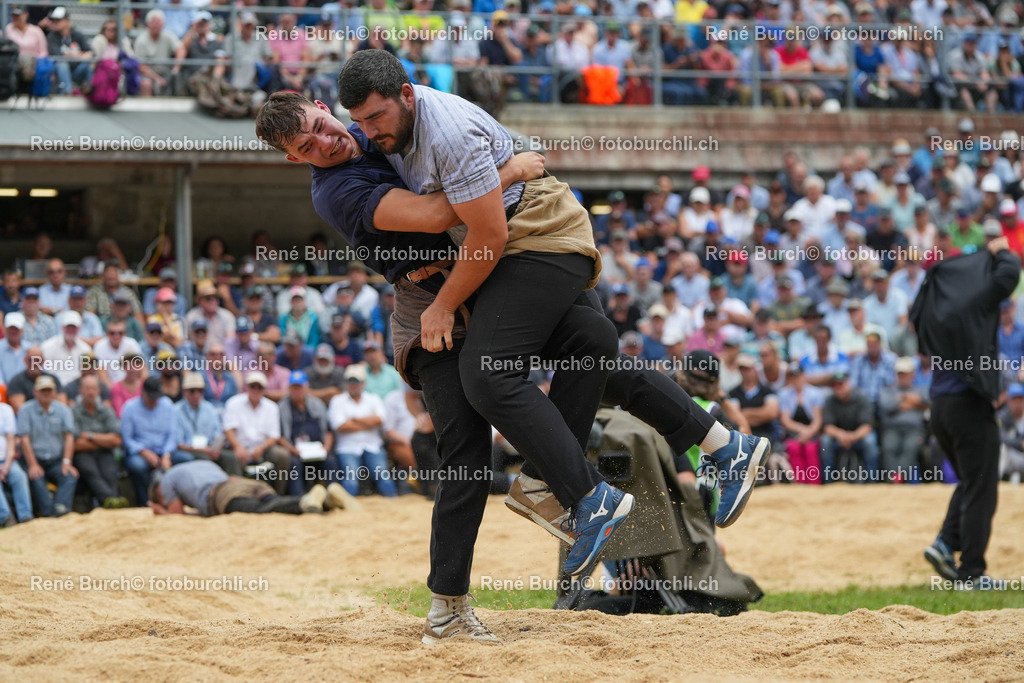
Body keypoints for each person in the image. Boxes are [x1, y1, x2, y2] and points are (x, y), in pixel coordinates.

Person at [254, 84, 768, 642]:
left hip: (478, 280)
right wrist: (511, 171)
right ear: (295, 159)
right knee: (466, 459)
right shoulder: (336, 189)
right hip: (431, 314)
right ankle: (449, 606)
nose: (324, 143)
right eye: (308, 146)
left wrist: (507, 161)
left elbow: (462, 143)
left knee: (593, 350)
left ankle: (710, 447)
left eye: (320, 127)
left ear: (326, 109)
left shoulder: (373, 127)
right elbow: (431, 214)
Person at [912, 236, 1020, 588]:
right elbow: (1008, 276)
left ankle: (945, 542)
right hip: (969, 406)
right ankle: (971, 572)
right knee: (982, 487)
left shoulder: (939, 309)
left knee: (972, 482)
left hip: (940, 406)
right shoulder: (972, 304)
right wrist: (1000, 250)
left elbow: (914, 315)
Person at [148, 459, 352, 516]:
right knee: (272, 501)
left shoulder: (166, 480)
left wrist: (161, 510)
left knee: (261, 511)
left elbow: (176, 515)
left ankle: (304, 501)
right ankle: (325, 501)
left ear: (158, 492)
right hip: (240, 481)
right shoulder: (200, 464)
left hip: (222, 494)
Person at [328, 364, 394, 497]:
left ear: (363, 382)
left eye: (356, 380)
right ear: (345, 382)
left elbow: (380, 420)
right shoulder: (337, 400)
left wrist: (353, 419)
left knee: (383, 476)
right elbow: (340, 425)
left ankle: (394, 503)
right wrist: (368, 423)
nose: (353, 384)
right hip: (347, 448)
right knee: (351, 480)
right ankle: (347, 507)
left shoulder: (373, 398)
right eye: (350, 381)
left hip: (372, 446)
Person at [17, 375, 78, 517]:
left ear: (55, 392)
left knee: (69, 475)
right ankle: (49, 513)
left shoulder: (63, 410)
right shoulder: (25, 410)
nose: (46, 393)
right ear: (35, 392)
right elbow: (24, 439)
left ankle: (61, 508)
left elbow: (69, 437)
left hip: (56, 459)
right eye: (43, 390)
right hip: (34, 458)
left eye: (49, 390)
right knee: (35, 477)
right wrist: (32, 464)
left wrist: (67, 462)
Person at [221, 371, 292, 493]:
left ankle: (278, 494)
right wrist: (238, 447)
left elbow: (274, 436)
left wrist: (262, 447)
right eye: (252, 386)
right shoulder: (233, 403)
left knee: (282, 455)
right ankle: (238, 494)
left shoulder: (272, 407)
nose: (256, 390)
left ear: (264, 389)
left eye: (259, 387)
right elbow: (228, 430)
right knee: (230, 457)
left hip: (263, 448)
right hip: (239, 447)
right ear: (246, 387)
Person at [121, 376, 186, 505]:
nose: (154, 401)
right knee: (138, 466)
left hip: (165, 451)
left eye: (157, 397)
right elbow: (127, 439)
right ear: (143, 392)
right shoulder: (129, 407)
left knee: (187, 459)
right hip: (140, 452)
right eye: (151, 397)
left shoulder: (167, 404)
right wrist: (144, 452)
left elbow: (173, 435)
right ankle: (144, 503)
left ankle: (180, 501)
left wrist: (167, 455)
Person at [71, 375, 128, 509]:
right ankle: (111, 500)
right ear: (81, 390)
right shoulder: (73, 411)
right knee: (91, 471)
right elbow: (75, 444)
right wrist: (103, 439)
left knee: (109, 473)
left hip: (104, 452)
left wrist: (90, 436)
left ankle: (111, 504)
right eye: (87, 389)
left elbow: (116, 440)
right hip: (83, 454)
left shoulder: (106, 410)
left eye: (93, 389)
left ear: (98, 391)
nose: (90, 392)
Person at [278, 369, 335, 496]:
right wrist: (293, 450)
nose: (297, 391)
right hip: (295, 450)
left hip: (317, 448)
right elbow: (280, 436)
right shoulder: (282, 407)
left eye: (300, 387)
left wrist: (326, 447)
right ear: (289, 388)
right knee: (294, 463)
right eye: (294, 387)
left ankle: (333, 495)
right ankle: (297, 498)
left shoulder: (318, 404)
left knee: (330, 460)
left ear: (307, 387)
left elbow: (328, 431)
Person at [174, 372, 239, 475]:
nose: (196, 395)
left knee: (231, 457)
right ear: (184, 392)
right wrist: (205, 450)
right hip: (191, 451)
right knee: (204, 459)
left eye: (200, 391)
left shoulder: (209, 408)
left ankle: (236, 488)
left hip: (210, 449)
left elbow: (218, 435)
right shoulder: (176, 411)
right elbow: (178, 444)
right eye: (192, 391)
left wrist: (216, 449)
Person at [820, 371, 879, 483]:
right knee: (825, 442)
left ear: (848, 384)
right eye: (834, 385)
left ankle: (873, 481)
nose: (838, 388)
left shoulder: (861, 397)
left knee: (870, 441)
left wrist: (852, 437)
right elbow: (827, 427)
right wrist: (841, 435)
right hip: (839, 438)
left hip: (859, 437)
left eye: (840, 384)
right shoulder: (830, 400)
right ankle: (828, 481)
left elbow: (867, 426)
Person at [878, 356, 929, 482]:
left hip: (915, 428)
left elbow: (928, 402)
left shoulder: (921, 389)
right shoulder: (888, 390)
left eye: (905, 374)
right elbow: (887, 406)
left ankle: (898, 478)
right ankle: (894, 479)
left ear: (912, 374)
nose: (902, 376)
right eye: (900, 374)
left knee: (911, 447)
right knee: (889, 446)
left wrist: (900, 399)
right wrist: (912, 401)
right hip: (891, 428)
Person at [0, 399, 33, 526]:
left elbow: (11, 439)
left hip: (7, 460)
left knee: (19, 476)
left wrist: (6, 466)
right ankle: (6, 518)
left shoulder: (6, 410)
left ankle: (26, 517)